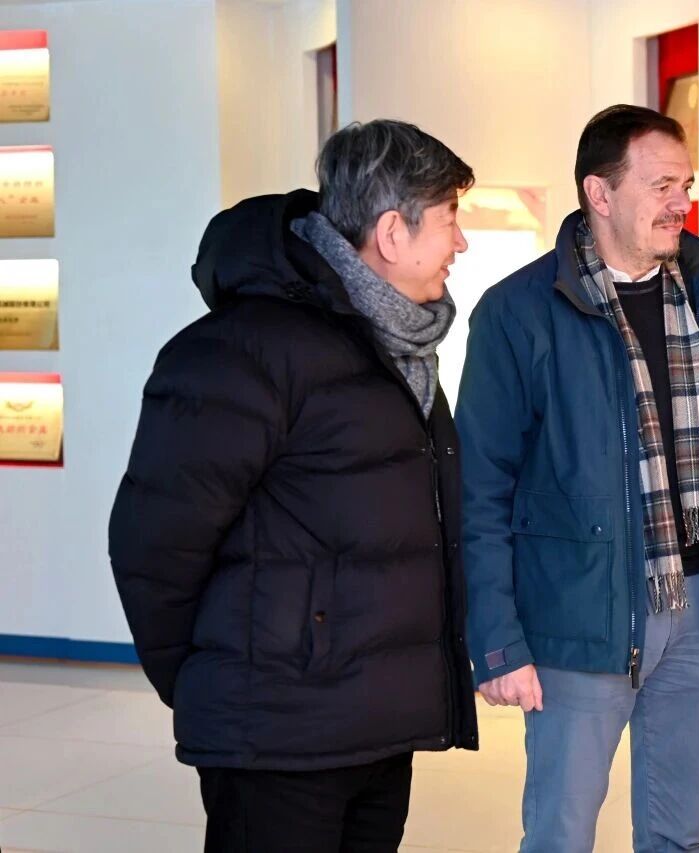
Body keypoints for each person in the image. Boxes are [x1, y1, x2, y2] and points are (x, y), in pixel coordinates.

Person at [108, 119, 478, 852]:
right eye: (449, 219)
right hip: (274, 734)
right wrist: (213, 684)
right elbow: (155, 543)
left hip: (378, 723)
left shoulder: (400, 351)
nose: (461, 242)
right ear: (392, 233)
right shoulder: (241, 352)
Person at [456, 104, 699, 852]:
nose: (680, 202)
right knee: (561, 834)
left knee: (678, 833)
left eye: (686, 184)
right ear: (598, 193)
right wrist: (497, 639)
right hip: (581, 607)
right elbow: (481, 489)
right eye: (661, 185)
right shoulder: (517, 312)